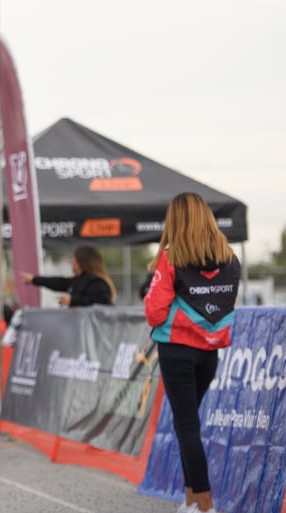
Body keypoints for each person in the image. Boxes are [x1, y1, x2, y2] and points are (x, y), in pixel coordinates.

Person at [143, 192, 241, 513]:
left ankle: (205, 505)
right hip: (209, 353)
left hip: (177, 350)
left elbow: (155, 313)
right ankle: (190, 501)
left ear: (176, 221)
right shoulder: (230, 257)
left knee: (187, 427)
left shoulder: (170, 257)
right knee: (188, 426)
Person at [20, 244, 116, 307]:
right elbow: (58, 282)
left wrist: (73, 300)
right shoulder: (78, 281)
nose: (72, 262)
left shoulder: (97, 283)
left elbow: (102, 304)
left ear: (82, 262)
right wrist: (34, 280)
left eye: (74, 259)